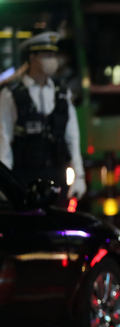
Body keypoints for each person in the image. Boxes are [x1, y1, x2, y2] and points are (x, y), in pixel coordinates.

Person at [0, 32, 86, 204]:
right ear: (32, 57)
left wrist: (79, 176)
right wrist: (5, 185)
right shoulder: (11, 95)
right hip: (24, 178)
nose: (52, 60)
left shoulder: (62, 94)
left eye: (54, 55)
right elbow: (3, 141)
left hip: (57, 177)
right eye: (46, 55)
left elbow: (72, 139)